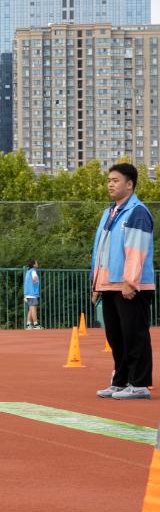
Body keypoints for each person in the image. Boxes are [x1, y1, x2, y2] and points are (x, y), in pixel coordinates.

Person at [92, 163, 155, 400]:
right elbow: (100, 251)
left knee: (134, 335)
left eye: (115, 180)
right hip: (109, 285)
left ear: (130, 184)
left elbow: (136, 249)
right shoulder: (109, 213)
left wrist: (130, 281)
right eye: (108, 180)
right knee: (116, 337)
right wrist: (96, 284)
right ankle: (120, 381)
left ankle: (139, 384)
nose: (110, 184)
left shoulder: (137, 212)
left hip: (131, 286)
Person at [24, 259, 42, 329]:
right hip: (32, 293)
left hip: (28, 293)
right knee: (33, 308)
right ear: (34, 265)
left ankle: (28, 324)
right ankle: (36, 324)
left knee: (31, 308)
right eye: (36, 263)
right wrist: (35, 282)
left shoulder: (28, 271)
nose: (37, 264)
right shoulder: (33, 271)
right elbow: (34, 279)